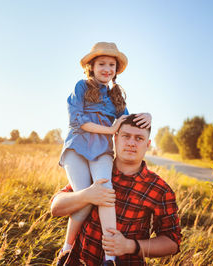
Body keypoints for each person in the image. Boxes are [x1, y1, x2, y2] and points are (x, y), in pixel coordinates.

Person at [58, 42, 151, 265]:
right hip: (77, 149)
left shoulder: (116, 95)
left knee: (105, 193)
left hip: (101, 151)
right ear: (92, 66)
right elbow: (76, 121)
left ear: (116, 70)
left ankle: (110, 258)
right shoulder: (81, 86)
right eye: (102, 64)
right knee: (85, 200)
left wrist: (147, 115)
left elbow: (127, 121)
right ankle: (67, 249)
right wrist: (110, 129)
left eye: (112, 65)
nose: (107, 69)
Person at [52, 114, 182, 265]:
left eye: (139, 138)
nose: (131, 143)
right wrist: (86, 196)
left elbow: (172, 242)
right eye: (126, 136)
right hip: (77, 261)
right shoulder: (96, 171)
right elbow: (56, 208)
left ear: (148, 144)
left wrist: (129, 246)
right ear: (115, 139)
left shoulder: (160, 189)